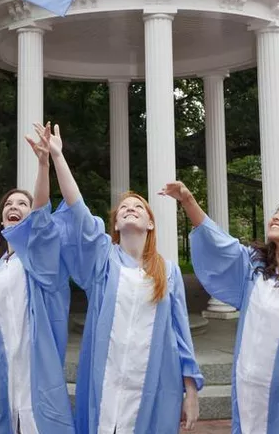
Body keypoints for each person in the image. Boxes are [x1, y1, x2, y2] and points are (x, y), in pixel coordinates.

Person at [160, 181, 279, 434]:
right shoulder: (254, 270)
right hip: (249, 391)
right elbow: (218, 242)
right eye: (276, 212)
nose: (276, 216)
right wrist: (187, 201)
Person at [49, 125, 202, 434]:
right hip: (107, 379)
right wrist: (57, 155)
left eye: (138, 208)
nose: (130, 210)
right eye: (124, 209)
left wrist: (192, 392)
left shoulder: (167, 271)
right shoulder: (104, 259)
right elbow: (77, 209)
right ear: (115, 224)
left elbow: (181, 336)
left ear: (149, 223)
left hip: (154, 381)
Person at [0, 123, 75, 434]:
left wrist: (42, 163)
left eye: (21, 204)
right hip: (1, 375)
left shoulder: (40, 261)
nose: (14, 207)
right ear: (2, 220)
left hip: (38, 372)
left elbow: (41, 215)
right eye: (8, 205)